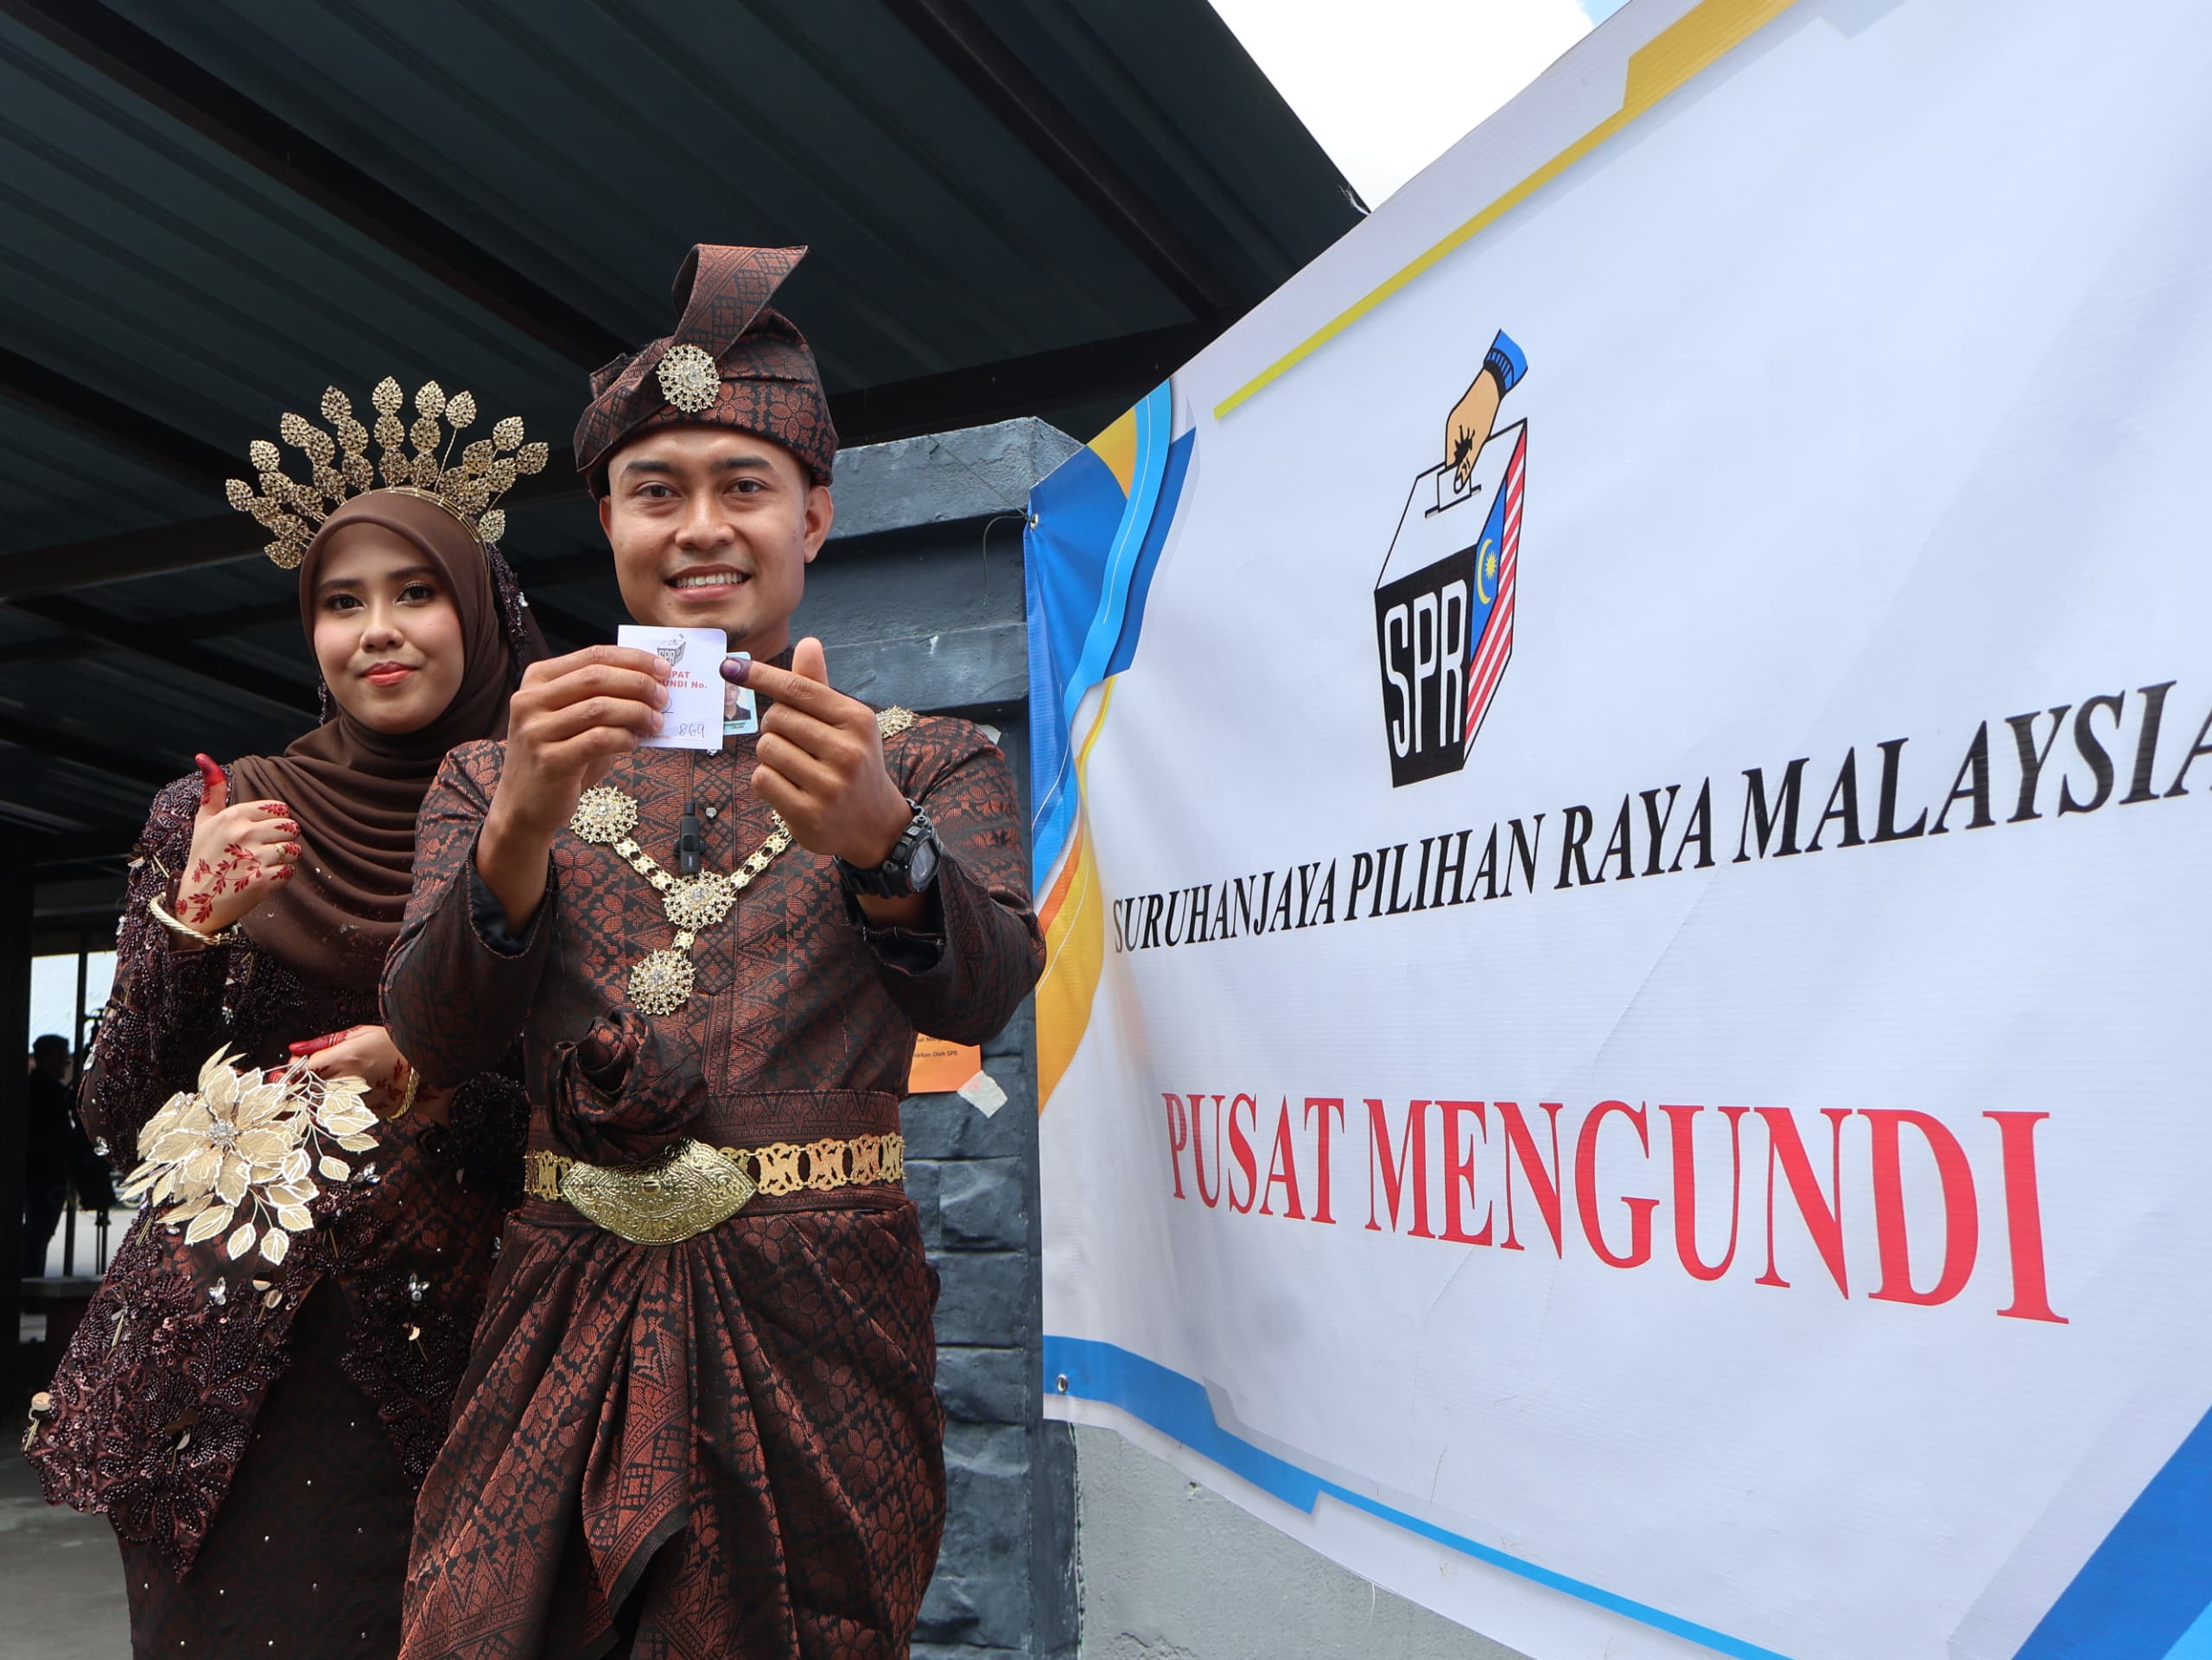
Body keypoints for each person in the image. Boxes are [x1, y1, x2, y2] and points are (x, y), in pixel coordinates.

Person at [385, 245, 1045, 1660]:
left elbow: (987, 991)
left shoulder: (929, 758)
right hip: (563, 1294)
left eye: (743, 486)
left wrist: (883, 842)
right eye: (656, 491)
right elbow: (434, 1036)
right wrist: (518, 829)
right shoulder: (496, 770)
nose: (700, 527)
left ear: (815, 516)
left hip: (821, 1317)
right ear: (607, 522)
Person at [23, 378, 549, 1659]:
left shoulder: (553, 813)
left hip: (491, 1342)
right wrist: (190, 927)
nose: (379, 632)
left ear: (480, 610)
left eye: (416, 593)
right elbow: (119, 1113)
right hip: (236, 1367)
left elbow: (611, 1084)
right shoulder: (220, 813)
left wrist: (432, 1072)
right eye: (341, 602)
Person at [23, 1034, 74, 1275]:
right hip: (47, 1174)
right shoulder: (51, 1092)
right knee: (39, 1233)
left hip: (36, 1172)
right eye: (62, 1056)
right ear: (50, 1057)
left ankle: (28, 1280)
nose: (66, 1062)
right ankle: (31, 1282)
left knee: (36, 1233)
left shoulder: (32, 1087)